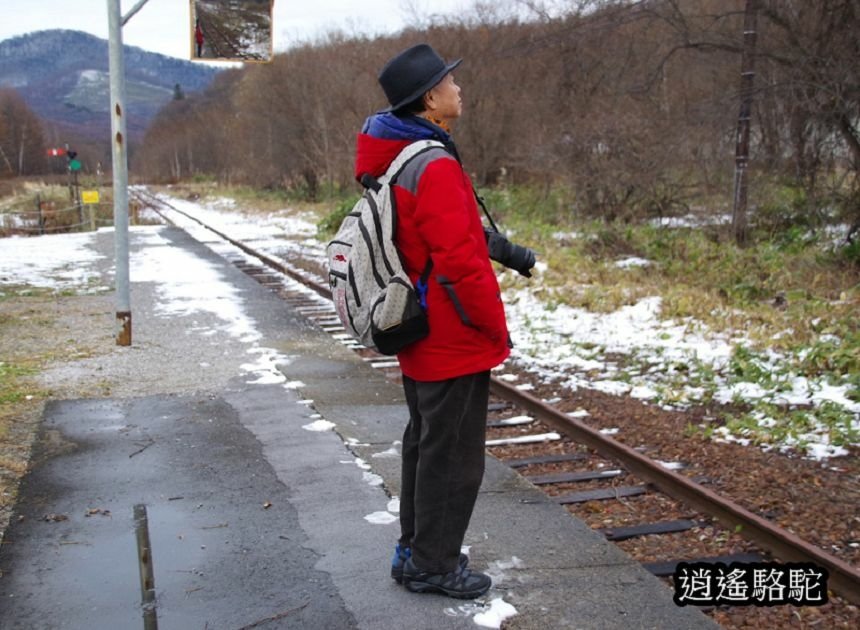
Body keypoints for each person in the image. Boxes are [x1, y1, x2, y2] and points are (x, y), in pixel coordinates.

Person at [354, 43, 535, 599]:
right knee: (453, 458)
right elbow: (459, 262)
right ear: (430, 99)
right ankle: (434, 564)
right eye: (450, 83)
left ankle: (414, 553)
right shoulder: (432, 163)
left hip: (421, 329)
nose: (459, 89)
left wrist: (508, 251)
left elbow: (447, 237)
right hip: (451, 333)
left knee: (426, 445)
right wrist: (492, 329)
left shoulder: (402, 157)